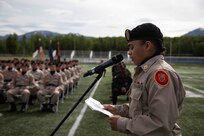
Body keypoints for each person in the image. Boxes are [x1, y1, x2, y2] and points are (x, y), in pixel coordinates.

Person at [104, 23, 186, 136]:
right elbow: (142, 109)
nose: (129, 52)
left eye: (132, 47)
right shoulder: (145, 71)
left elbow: (160, 124)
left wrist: (122, 123)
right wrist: (117, 110)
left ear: (147, 46)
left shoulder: (159, 73)